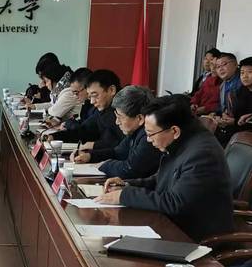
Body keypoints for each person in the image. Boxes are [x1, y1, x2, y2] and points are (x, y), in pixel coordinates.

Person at [96, 94, 234, 242]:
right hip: (171, 225)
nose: (148, 140)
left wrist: (124, 196)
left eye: (151, 134)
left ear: (174, 131)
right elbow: (162, 179)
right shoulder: (183, 141)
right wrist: (127, 185)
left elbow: (175, 203)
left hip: (192, 238)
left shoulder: (202, 154)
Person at [72, 86, 161, 180]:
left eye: (120, 117)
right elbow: (117, 153)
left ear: (140, 118)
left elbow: (129, 170)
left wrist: (105, 165)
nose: (117, 122)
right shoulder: (135, 131)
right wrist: (89, 156)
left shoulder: (149, 137)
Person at [56, 69, 123, 155]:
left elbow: (117, 145)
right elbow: (85, 130)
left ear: (111, 90)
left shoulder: (123, 112)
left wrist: (92, 147)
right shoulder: (103, 111)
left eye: (95, 95)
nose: (92, 101)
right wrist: (54, 136)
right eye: (90, 97)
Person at [203, 53, 243, 145]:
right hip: (226, 125)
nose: (220, 69)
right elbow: (222, 107)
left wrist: (234, 120)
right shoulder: (222, 85)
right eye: (217, 67)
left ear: (235, 64)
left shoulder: (243, 82)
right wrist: (215, 113)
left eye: (224, 64)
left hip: (240, 127)